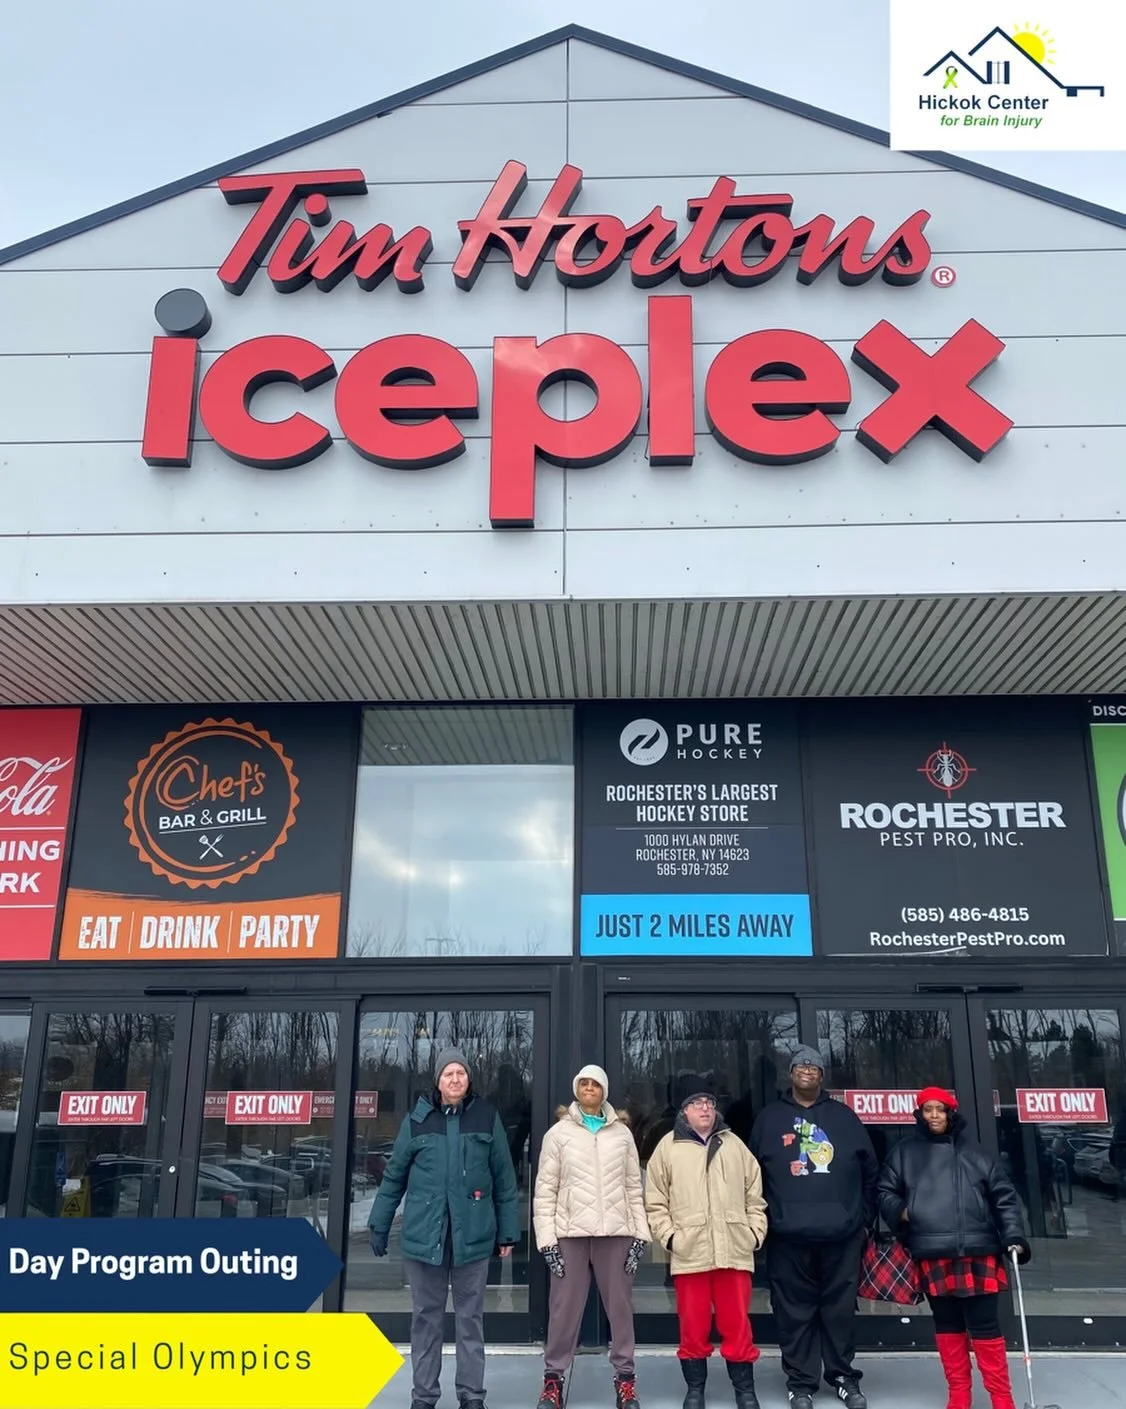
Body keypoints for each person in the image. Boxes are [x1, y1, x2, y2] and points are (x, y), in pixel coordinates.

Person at [368, 1048, 519, 1409]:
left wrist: (507, 1231)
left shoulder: (486, 1116)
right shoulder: (418, 1119)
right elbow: (394, 1177)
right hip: (426, 1238)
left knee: (470, 1320)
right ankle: (423, 1396)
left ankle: (471, 1396)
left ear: (468, 1079)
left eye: (461, 1073)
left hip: (473, 1237)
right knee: (425, 1320)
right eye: (448, 1074)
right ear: (437, 1080)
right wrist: (379, 1223)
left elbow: (504, 1178)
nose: (455, 1079)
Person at [877, 1086, 1030, 1409]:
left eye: (940, 1109)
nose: (934, 1115)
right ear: (919, 1113)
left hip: (977, 1249)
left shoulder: (976, 1153)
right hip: (933, 1249)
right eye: (928, 1109)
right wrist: (906, 1211)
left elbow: (1004, 1198)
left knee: (986, 1329)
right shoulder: (904, 1153)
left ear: (951, 1112)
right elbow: (884, 1192)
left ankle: (1002, 1398)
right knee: (948, 1327)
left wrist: (1014, 1235)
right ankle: (958, 1394)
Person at [750, 1047, 877, 1409]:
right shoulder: (769, 1119)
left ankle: (842, 1377)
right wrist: (764, 1223)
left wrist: (861, 1222)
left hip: (841, 1236)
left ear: (822, 1076)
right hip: (787, 1238)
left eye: (815, 1066)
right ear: (790, 1074)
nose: (807, 1070)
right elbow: (750, 1178)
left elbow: (870, 1173)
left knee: (839, 1311)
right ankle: (801, 1382)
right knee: (793, 1311)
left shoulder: (844, 1118)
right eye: (801, 1065)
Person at [644, 1074, 768, 1409]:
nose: (705, 1108)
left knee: (737, 1324)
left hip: (734, 1249)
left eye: (710, 1103)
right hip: (690, 1251)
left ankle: (744, 1390)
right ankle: (695, 1389)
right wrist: (670, 1237)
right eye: (697, 1103)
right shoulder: (667, 1148)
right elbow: (654, 1201)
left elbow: (754, 1195)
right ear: (684, 1110)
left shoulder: (735, 1145)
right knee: (693, 1326)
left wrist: (755, 1231)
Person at [533, 1063, 650, 1409]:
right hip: (569, 1234)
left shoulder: (622, 1135)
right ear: (576, 1090)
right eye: (583, 1083)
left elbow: (634, 1187)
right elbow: (545, 1191)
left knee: (620, 1308)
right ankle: (553, 1381)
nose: (588, 1088)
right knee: (563, 1309)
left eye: (595, 1084)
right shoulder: (558, 1134)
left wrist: (639, 1236)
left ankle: (626, 1381)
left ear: (604, 1091)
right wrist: (547, 1241)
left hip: (616, 1234)